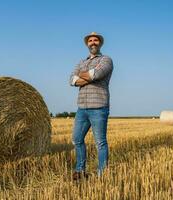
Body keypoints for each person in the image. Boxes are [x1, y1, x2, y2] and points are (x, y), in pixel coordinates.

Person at [69, 32, 113, 180]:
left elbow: (97, 74)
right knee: (77, 139)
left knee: (100, 142)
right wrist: (89, 75)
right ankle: (80, 171)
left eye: (95, 40)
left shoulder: (106, 60)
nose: (93, 42)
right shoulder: (81, 61)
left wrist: (83, 76)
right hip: (82, 108)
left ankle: (102, 175)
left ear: (100, 43)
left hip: (99, 107)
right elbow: (71, 80)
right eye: (90, 41)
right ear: (87, 44)